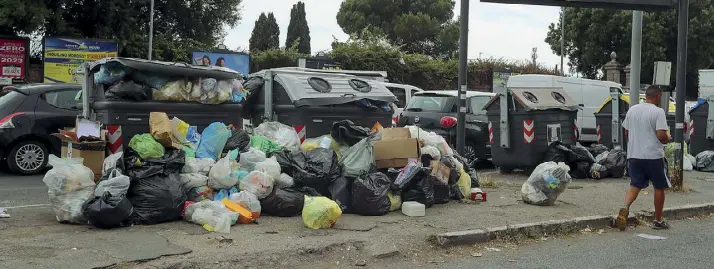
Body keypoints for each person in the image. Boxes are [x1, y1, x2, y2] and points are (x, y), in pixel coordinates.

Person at [615, 85, 671, 231]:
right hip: (653, 156)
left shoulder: (632, 109)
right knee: (659, 187)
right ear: (658, 96)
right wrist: (667, 138)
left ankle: (625, 207)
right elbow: (661, 135)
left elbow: (627, 133)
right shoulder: (658, 112)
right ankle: (658, 221)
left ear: (646, 96)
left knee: (635, 184)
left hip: (634, 155)